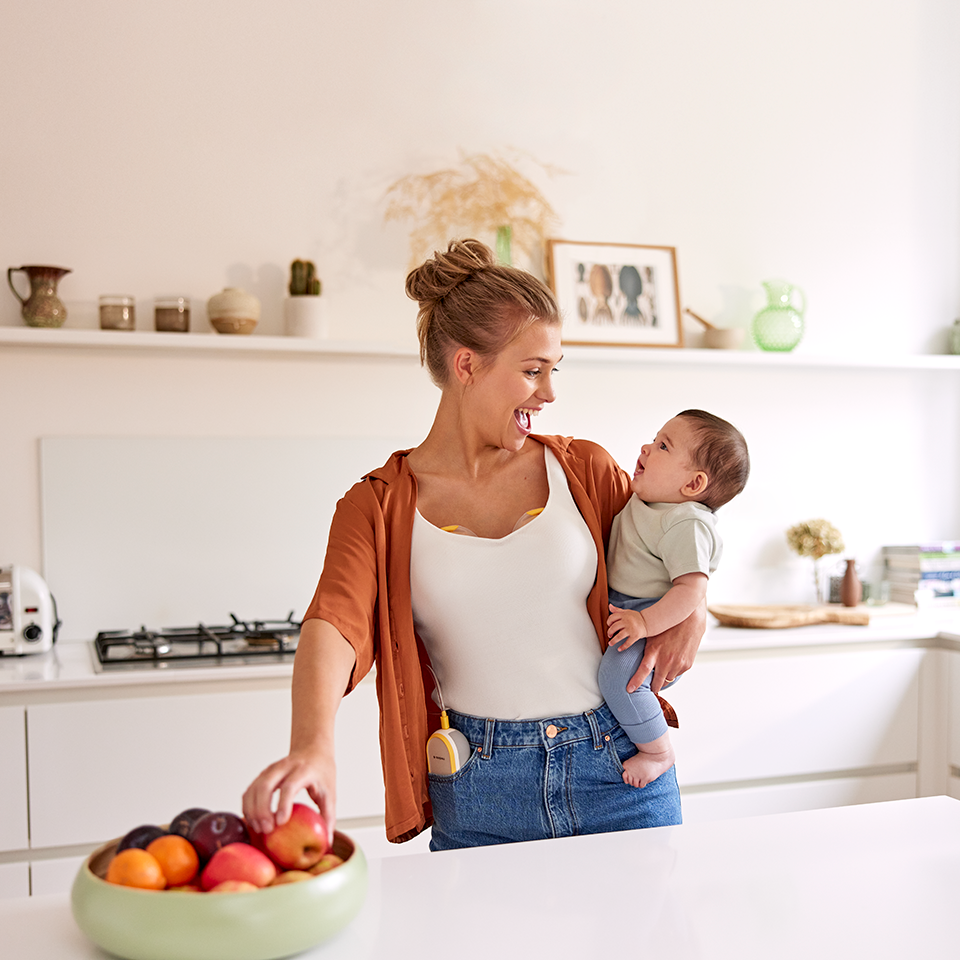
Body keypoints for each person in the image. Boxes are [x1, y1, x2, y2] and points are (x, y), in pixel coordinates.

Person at [243, 239, 706, 851]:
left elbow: (675, 541)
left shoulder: (586, 471)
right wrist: (313, 747)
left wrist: (695, 606)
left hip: (618, 772)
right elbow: (334, 623)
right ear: (467, 366)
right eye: (532, 370)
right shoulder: (378, 506)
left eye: (554, 370)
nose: (549, 393)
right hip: (481, 787)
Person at [600, 410, 749, 789]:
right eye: (655, 439)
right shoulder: (650, 501)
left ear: (694, 483)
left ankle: (658, 752)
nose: (647, 448)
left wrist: (645, 623)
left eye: (664, 446)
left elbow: (690, 589)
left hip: (650, 614)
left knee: (619, 680)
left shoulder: (686, 521)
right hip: (628, 607)